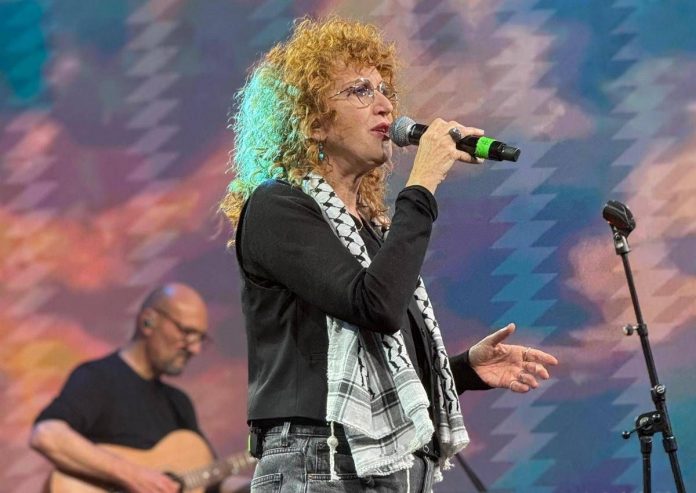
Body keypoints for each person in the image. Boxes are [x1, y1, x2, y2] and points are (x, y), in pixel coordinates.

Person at [219, 16, 559, 493]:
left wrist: (462, 370)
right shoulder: (278, 206)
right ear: (312, 123)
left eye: (384, 90)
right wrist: (423, 183)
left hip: (380, 467)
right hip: (319, 463)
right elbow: (374, 305)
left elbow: (376, 357)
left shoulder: (368, 229)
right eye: (360, 90)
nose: (384, 105)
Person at [29, 283, 218, 493]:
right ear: (148, 322)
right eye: (187, 332)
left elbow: (213, 479)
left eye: (200, 338)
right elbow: (46, 434)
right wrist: (133, 476)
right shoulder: (98, 377)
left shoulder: (179, 404)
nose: (195, 348)